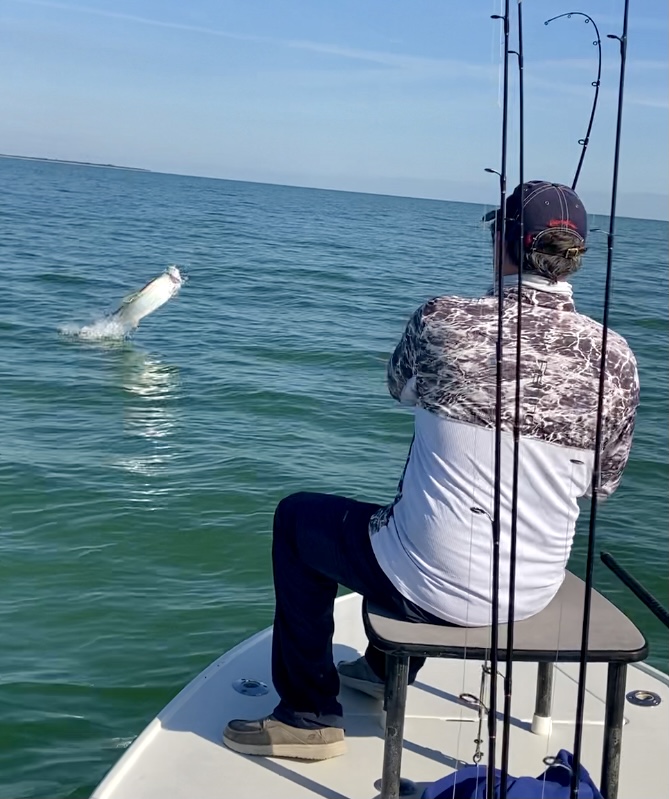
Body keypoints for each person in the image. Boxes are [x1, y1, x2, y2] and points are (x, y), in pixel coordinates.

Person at [222, 180, 639, 760]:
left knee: (299, 521)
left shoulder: (443, 319)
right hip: (532, 593)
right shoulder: (616, 358)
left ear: (504, 243)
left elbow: (400, 389)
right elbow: (602, 485)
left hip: (429, 585)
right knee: (436, 507)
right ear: (574, 257)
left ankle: (308, 714)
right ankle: (378, 668)